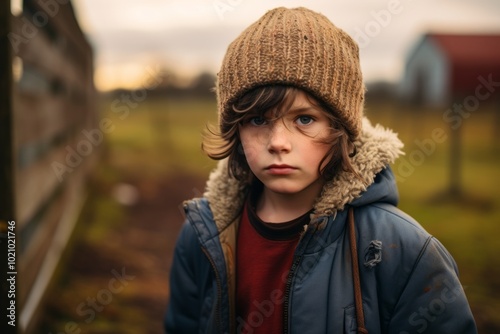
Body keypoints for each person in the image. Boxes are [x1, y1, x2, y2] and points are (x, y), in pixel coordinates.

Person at [164, 7, 477, 334]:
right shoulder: (203, 237)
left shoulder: (403, 251)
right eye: (258, 120)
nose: (279, 143)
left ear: (340, 128)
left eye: (304, 119)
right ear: (236, 130)